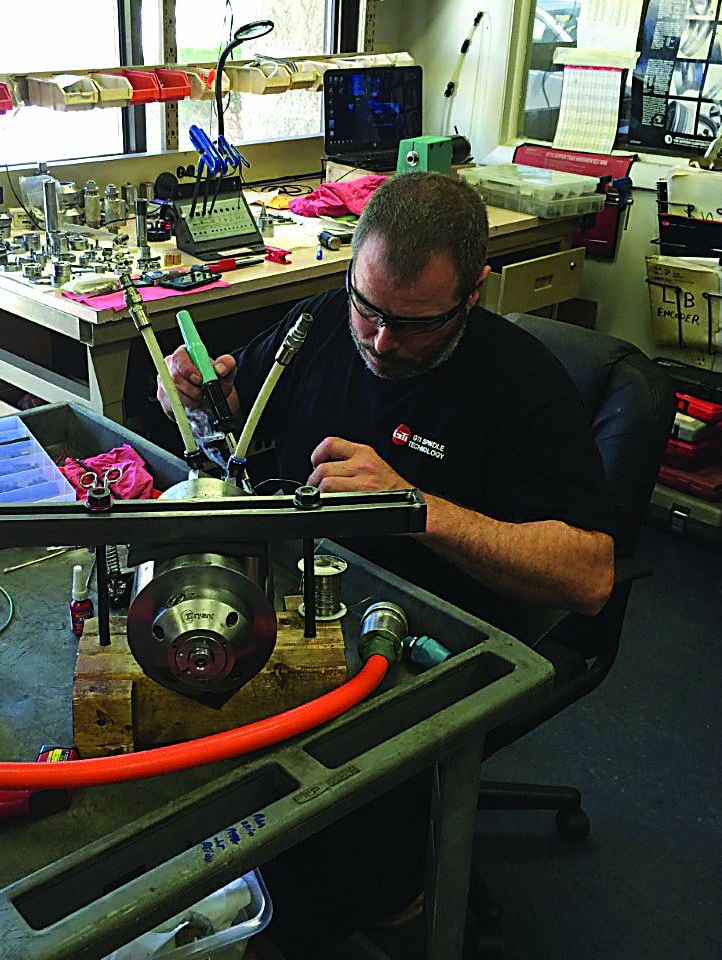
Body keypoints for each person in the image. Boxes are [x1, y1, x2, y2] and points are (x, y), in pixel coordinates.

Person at [156, 171, 617, 954]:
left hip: (431, 639)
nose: (377, 340)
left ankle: (383, 894)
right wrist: (196, 394)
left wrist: (413, 504)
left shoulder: (523, 387)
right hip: (309, 596)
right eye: (365, 308)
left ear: (472, 294)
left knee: (305, 840)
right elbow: (234, 422)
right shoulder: (321, 326)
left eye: (412, 325)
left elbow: (590, 575)